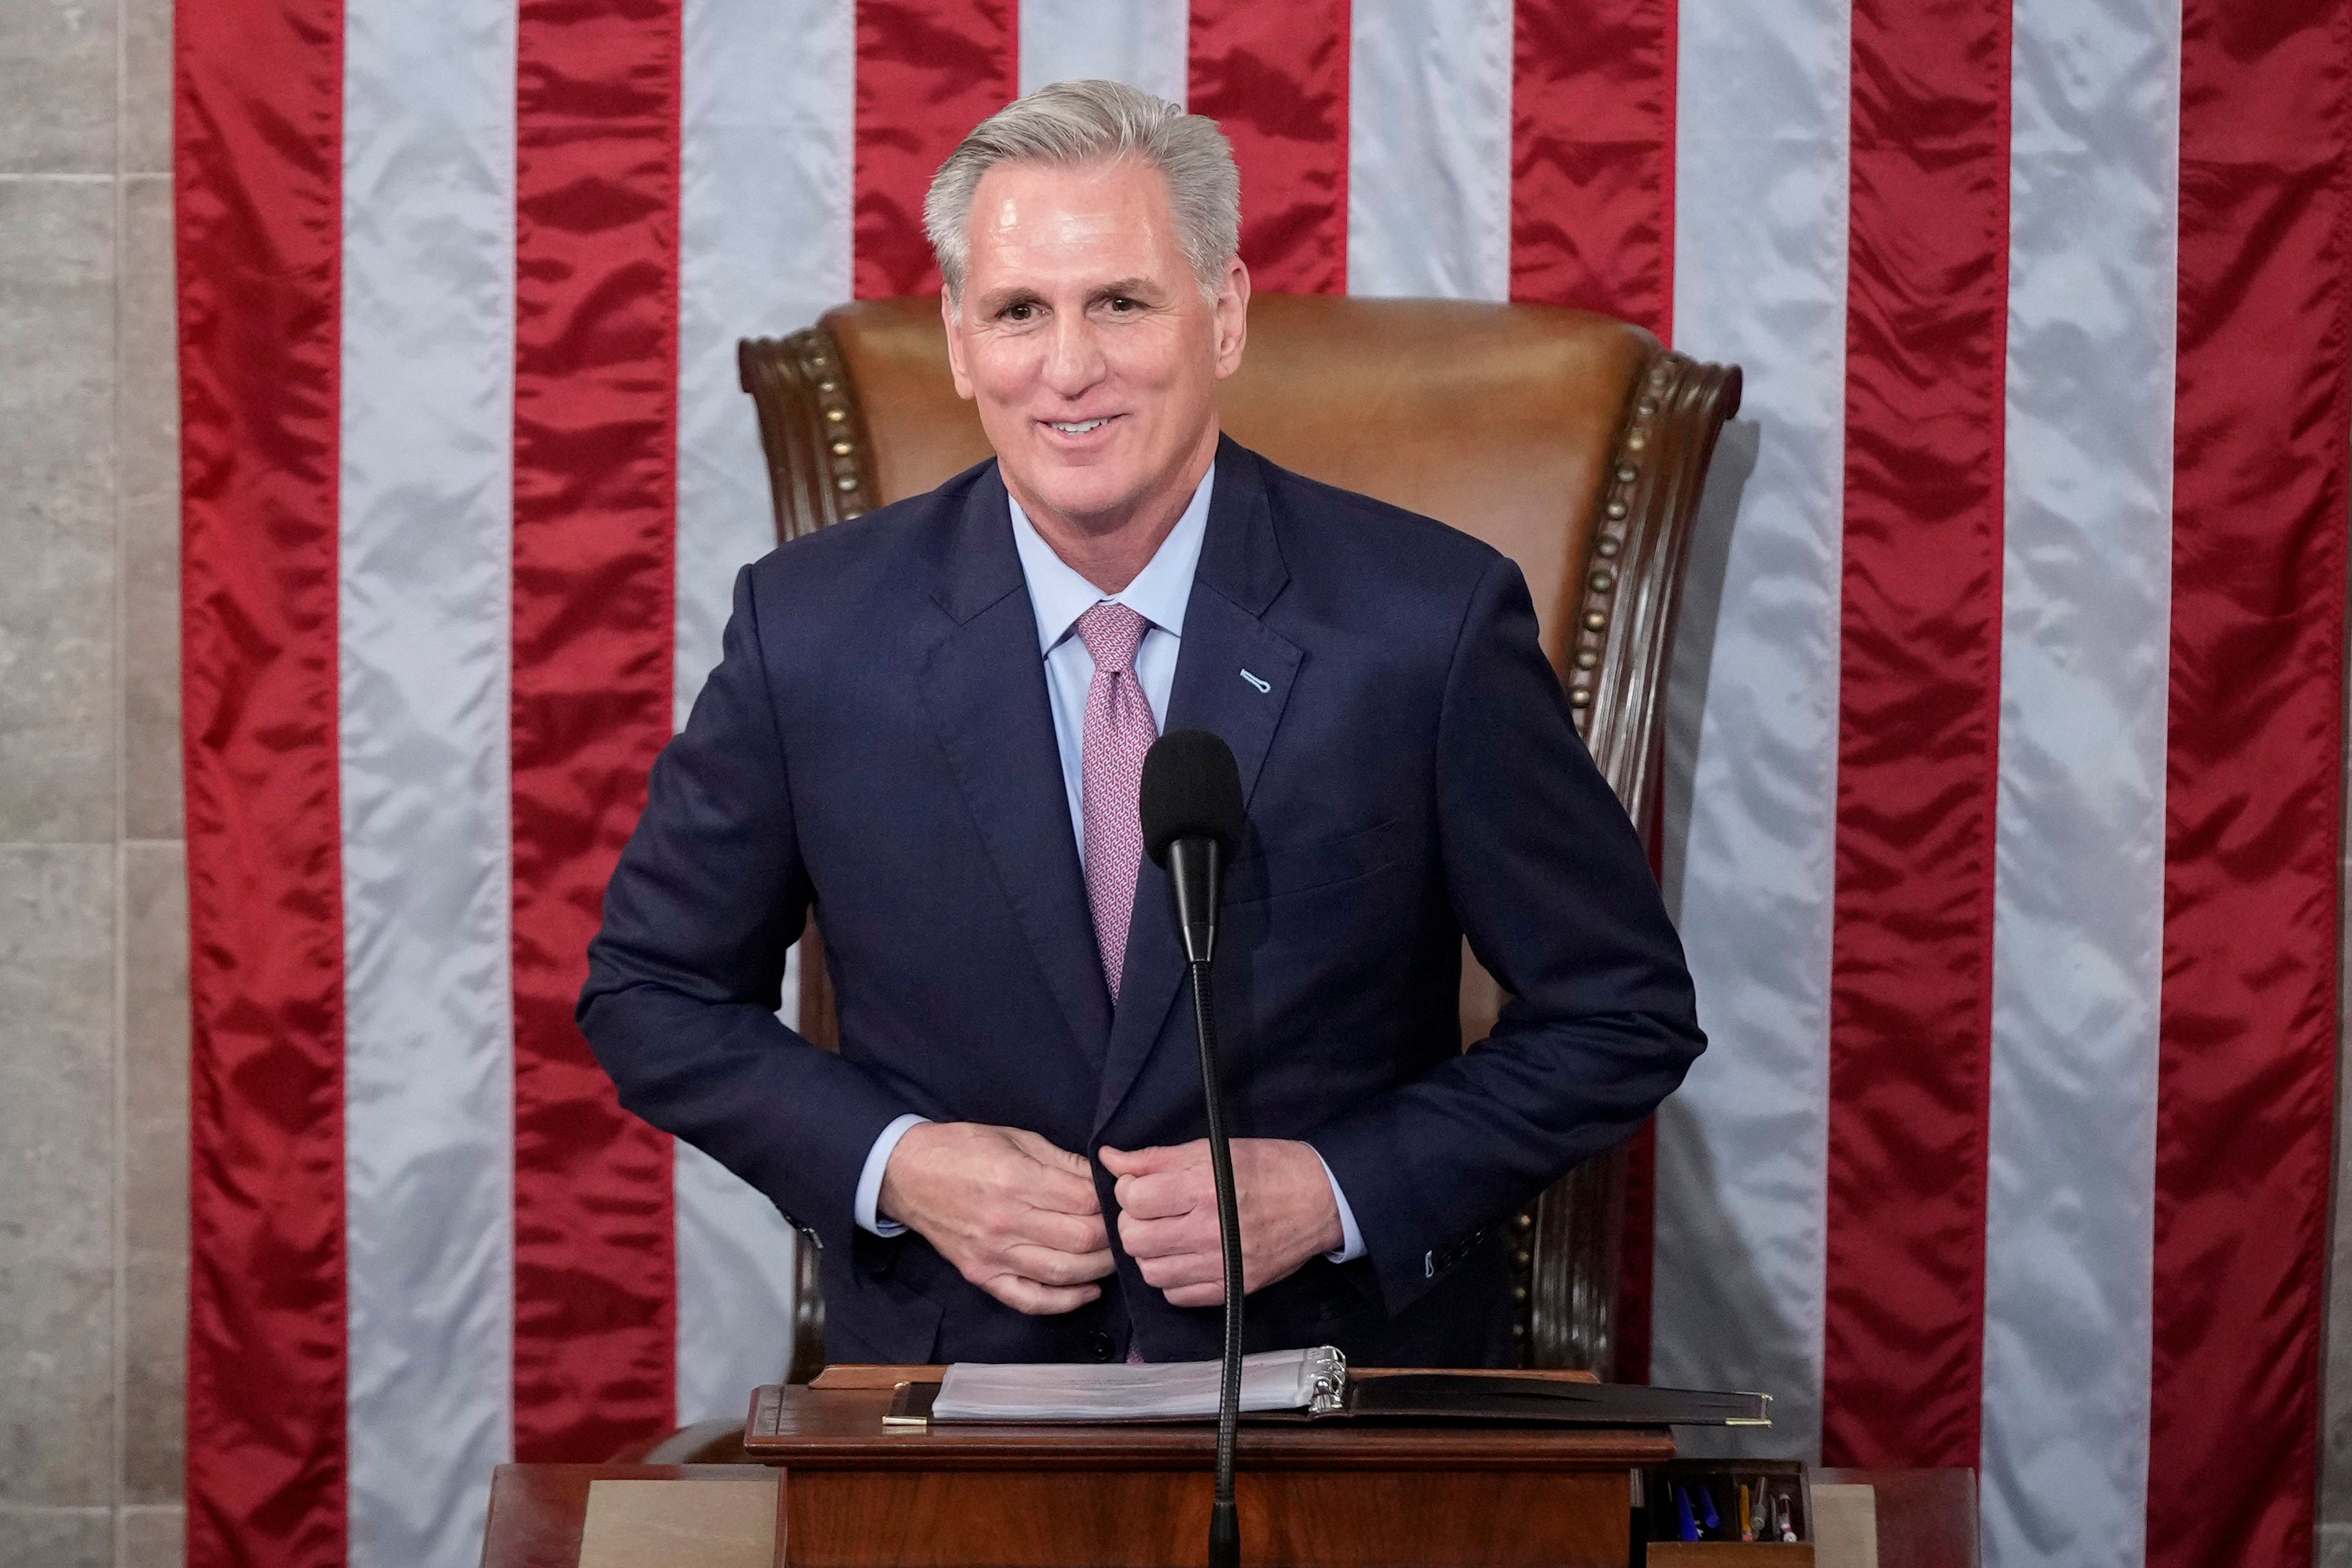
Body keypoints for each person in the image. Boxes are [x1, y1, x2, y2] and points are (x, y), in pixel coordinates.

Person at [578, 79, 1704, 1367]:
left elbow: (1619, 1013)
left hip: (1332, 1391)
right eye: (1017, 312)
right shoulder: (813, 632)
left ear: (1220, 317)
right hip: (950, 1402)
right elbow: (650, 991)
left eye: (1119, 301)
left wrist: (1336, 1190)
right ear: (958, 340)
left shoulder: (1424, 625)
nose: (1068, 367)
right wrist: (901, 1165)